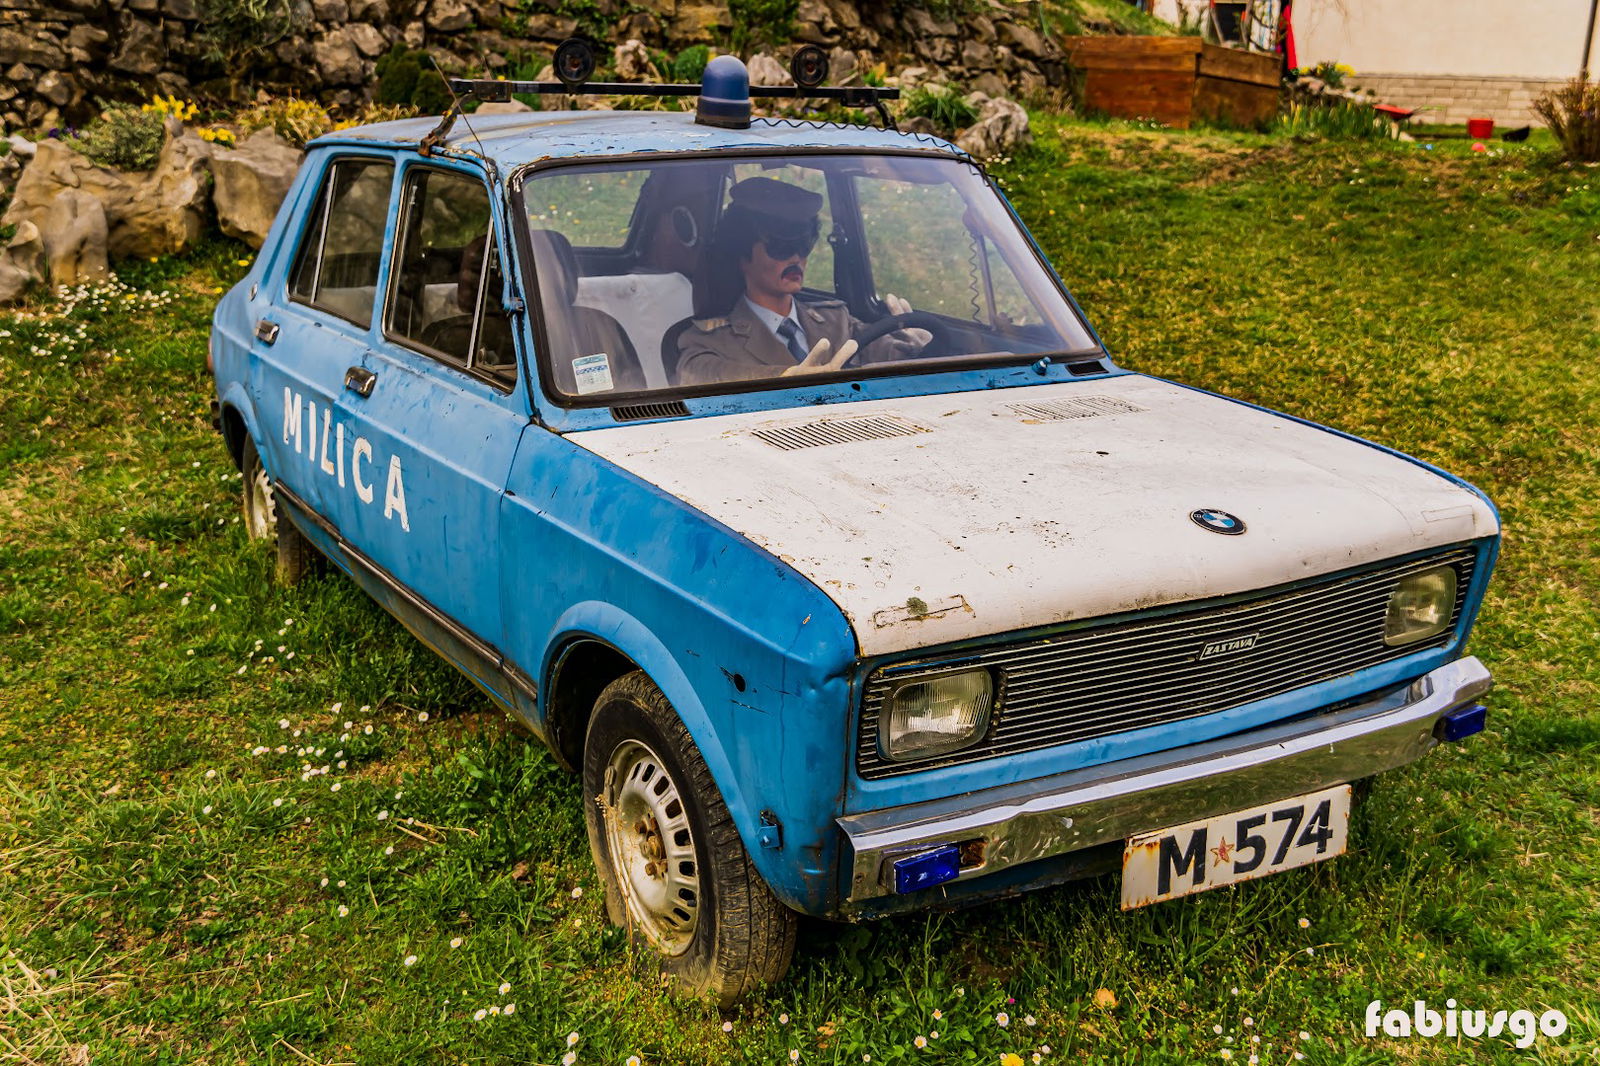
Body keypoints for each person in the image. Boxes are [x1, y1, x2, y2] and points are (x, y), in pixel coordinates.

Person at [675, 176, 930, 386]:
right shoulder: (711, 339)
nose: (796, 257)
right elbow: (696, 373)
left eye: (803, 245)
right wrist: (784, 379)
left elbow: (884, 353)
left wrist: (917, 346)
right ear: (742, 255)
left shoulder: (835, 319)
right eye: (780, 247)